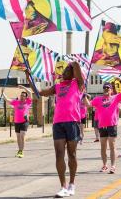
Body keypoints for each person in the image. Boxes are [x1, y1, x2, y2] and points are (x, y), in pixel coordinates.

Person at [30, 61, 85, 198]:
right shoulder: (57, 86)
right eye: (64, 70)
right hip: (58, 124)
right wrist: (28, 78)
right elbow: (40, 92)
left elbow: (78, 71)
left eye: (68, 69)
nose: (64, 71)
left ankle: (72, 184)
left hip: (72, 123)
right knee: (59, 154)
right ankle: (63, 186)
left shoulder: (77, 84)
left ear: (72, 73)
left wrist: (73, 63)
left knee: (72, 155)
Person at [88, 80, 121, 174]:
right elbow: (88, 104)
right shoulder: (97, 99)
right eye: (104, 88)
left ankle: (113, 166)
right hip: (102, 126)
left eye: (108, 88)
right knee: (103, 147)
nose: (106, 89)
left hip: (112, 125)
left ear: (111, 90)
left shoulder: (115, 97)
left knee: (112, 146)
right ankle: (104, 165)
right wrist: (84, 95)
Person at [11, 86, 33, 158]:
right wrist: (3, 93)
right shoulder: (16, 102)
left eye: (23, 96)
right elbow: (8, 100)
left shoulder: (28, 102)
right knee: (18, 136)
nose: (22, 96)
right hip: (17, 121)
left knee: (22, 135)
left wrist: (23, 87)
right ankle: (19, 150)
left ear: (26, 97)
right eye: (21, 95)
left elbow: (30, 92)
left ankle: (22, 151)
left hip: (24, 121)